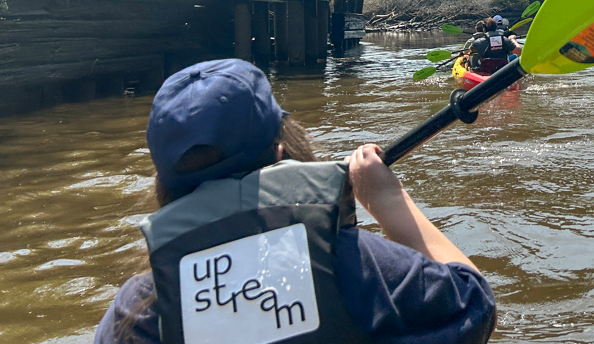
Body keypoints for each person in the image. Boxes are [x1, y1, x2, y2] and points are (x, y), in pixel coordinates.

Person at [95, 59, 496, 344]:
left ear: (164, 181)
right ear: (282, 151)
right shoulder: (355, 266)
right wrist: (388, 199)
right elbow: (472, 306)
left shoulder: (137, 309)